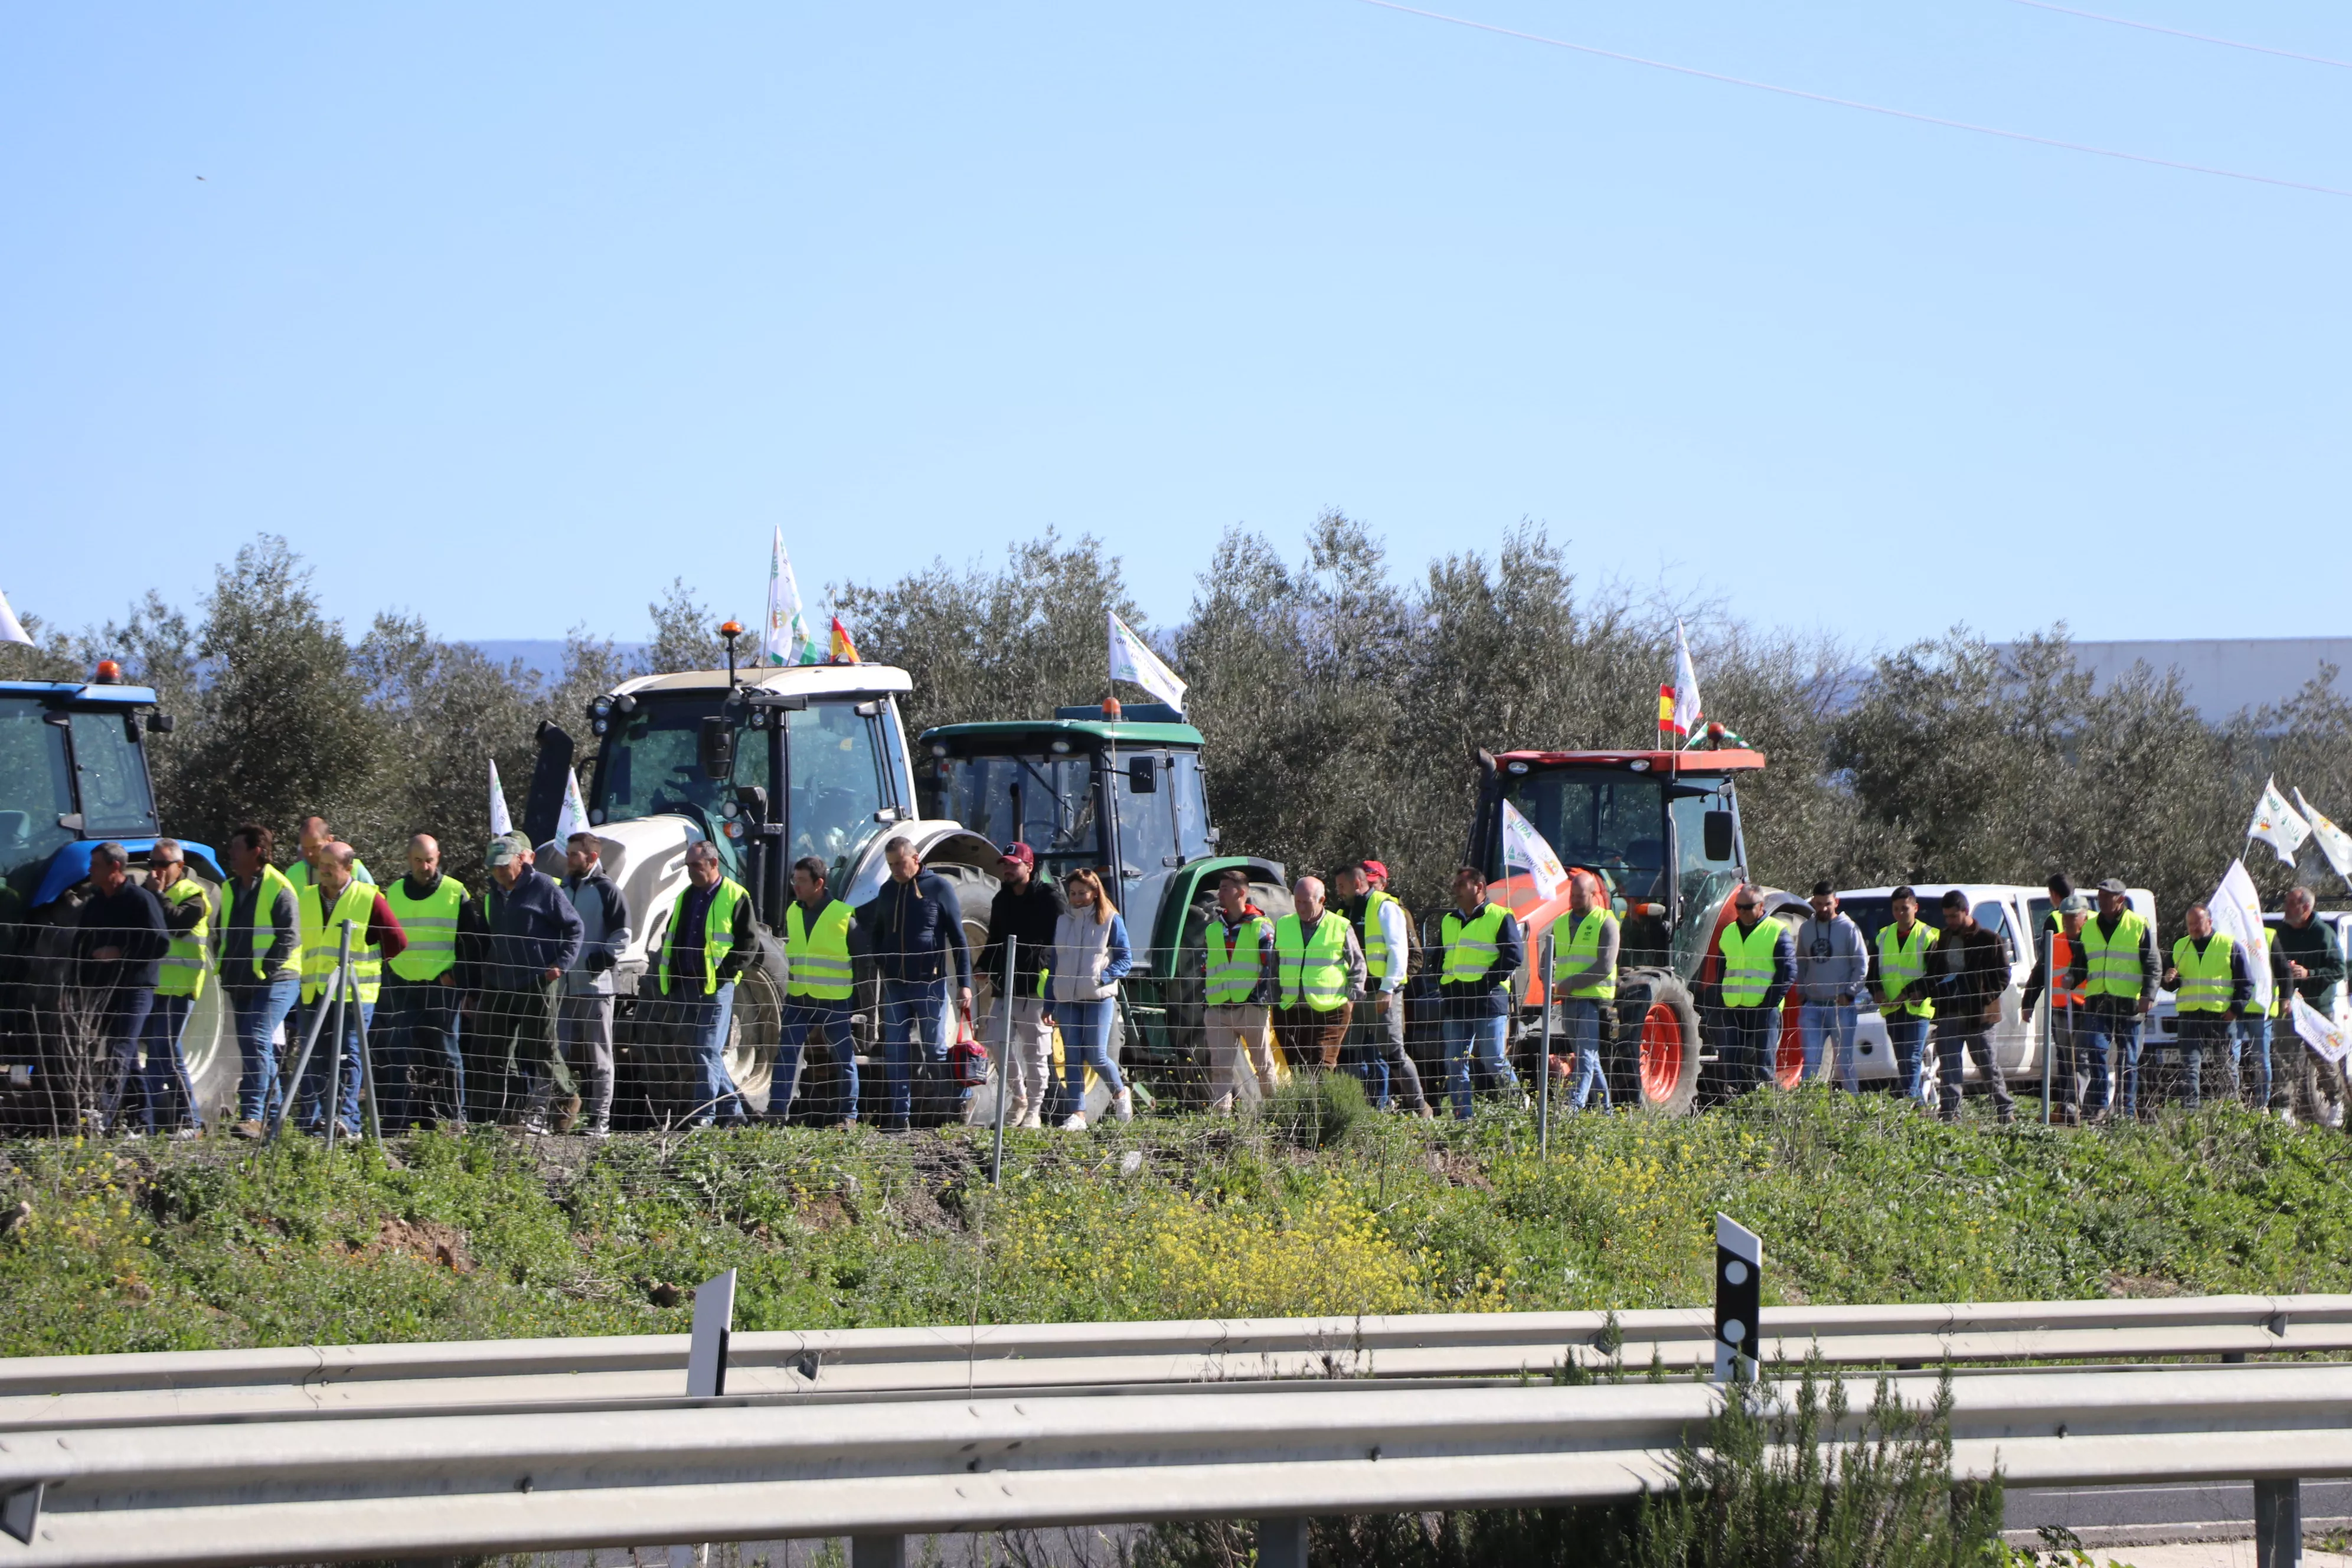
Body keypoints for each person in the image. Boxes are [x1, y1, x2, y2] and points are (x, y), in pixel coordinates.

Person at [853, 837, 973, 1132]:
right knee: (895, 1051)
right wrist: (882, 961)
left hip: (929, 985)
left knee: (934, 1050)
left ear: (915, 858)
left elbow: (959, 939)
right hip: (895, 986)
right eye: (890, 864)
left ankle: (957, 1105)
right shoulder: (887, 891)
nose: (895, 869)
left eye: (899, 863)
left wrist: (964, 984)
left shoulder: (939, 888)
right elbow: (878, 933)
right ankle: (899, 1118)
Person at [289, 842, 406, 1138]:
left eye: (331, 866)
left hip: (355, 994)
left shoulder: (369, 898)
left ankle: (347, 1122)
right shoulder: (305, 897)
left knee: (348, 1056)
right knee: (313, 1057)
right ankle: (313, 1122)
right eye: (321, 865)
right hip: (313, 991)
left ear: (348, 869)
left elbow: (397, 941)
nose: (324, 871)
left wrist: (372, 961)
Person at [472, 834, 583, 1130]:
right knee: (494, 1049)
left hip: (537, 982)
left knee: (542, 1048)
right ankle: (508, 1113)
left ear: (521, 860)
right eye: (493, 866)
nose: (498, 872)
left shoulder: (544, 887)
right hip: (499, 982)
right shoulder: (493, 893)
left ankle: (567, 1099)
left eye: (503, 865)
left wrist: (561, 964)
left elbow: (574, 928)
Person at [653, 839, 760, 1129]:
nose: (691, 871)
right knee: (703, 1052)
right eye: (688, 866)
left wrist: (725, 973)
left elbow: (749, 944)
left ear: (714, 864)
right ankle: (735, 1112)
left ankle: (704, 1116)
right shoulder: (685, 897)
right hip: (684, 986)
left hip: (715, 988)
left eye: (696, 866)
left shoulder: (736, 895)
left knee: (706, 1050)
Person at [379, 834, 478, 1131]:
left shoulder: (455, 892)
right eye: (419, 861)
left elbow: (472, 943)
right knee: (396, 1054)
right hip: (401, 986)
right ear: (409, 860)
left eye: (430, 860)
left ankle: (453, 1121)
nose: (425, 866)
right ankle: (395, 1121)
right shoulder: (393, 892)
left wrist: (458, 978)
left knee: (449, 1055)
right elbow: (381, 935)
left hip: (441, 986)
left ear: (439, 858)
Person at [74, 842, 169, 1135]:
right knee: (126, 1057)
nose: (90, 870)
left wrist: (121, 952)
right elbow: (82, 944)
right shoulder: (96, 903)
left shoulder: (140, 900)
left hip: (136, 987)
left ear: (115, 867)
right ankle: (143, 1124)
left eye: (96, 865)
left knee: (120, 1049)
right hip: (105, 988)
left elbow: (159, 942)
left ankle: (102, 1116)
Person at [215, 824, 303, 1138]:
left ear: (257, 852)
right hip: (240, 983)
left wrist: (263, 970)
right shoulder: (229, 888)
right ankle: (275, 1120)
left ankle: (253, 1115)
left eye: (237, 847)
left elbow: (290, 937)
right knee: (254, 1045)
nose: (231, 853)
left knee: (256, 1038)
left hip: (277, 980)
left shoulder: (279, 887)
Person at [975, 842, 1066, 1129]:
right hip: (1005, 984)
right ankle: (1020, 1097)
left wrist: (1050, 969)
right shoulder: (1001, 899)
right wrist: (984, 965)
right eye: (1005, 865)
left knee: (1035, 1052)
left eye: (1013, 865)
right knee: (994, 1042)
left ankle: (1034, 1112)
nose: (1007, 870)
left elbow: (1063, 938)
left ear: (1029, 866)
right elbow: (995, 937)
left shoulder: (1050, 898)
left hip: (1036, 987)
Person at [1334, 861, 1429, 1116]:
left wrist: (1388, 989)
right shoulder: (1344, 913)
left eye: (1342, 886)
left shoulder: (1386, 907)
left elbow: (1400, 951)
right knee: (1350, 1055)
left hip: (1381, 994)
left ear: (1357, 883)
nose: (1339, 892)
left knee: (1394, 1054)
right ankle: (1356, 1110)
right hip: (1354, 995)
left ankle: (1419, 1108)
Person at [1045, 866, 1133, 1129]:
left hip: (1098, 998)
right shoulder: (1062, 921)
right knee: (1072, 1057)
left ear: (1095, 893)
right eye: (1072, 893)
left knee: (1095, 1054)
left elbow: (1125, 958)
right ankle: (1078, 1115)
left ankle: (1119, 1093)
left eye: (1082, 893)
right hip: (1067, 999)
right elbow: (1056, 963)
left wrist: (1103, 978)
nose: (1076, 898)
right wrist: (1049, 1002)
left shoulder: (1111, 920)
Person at [775, 854, 858, 1128]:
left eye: (801, 881)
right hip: (799, 999)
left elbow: (862, 960)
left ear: (819, 883)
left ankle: (849, 1116)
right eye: (793, 880)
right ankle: (776, 1114)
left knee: (843, 1059)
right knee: (786, 1054)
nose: (795, 886)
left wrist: (856, 1002)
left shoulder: (844, 916)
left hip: (834, 1001)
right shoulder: (792, 911)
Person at [558, 831, 631, 1136]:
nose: (569, 858)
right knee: (554, 1053)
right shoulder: (561, 889)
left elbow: (624, 935)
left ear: (593, 857)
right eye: (569, 852)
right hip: (563, 986)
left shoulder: (608, 891)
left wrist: (602, 957)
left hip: (597, 987)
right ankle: (546, 1116)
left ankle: (599, 1121)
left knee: (600, 1057)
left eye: (575, 854)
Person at [1437, 867, 1524, 1120]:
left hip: (1488, 1000)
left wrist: (1488, 981)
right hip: (1456, 1000)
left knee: (1493, 1059)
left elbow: (1514, 957)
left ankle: (1518, 1108)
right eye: (1455, 885)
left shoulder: (1500, 916)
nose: (1456, 890)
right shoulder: (1448, 920)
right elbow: (1440, 957)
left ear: (1480, 887)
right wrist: (1442, 982)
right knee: (1454, 1063)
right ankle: (1463, 1119)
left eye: (1461, 885)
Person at [142, 839, 212, 1136]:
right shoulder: (153, 894)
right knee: (162, 1056)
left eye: (163, 864)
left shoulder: (194, 896)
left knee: (164, 1054)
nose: (156, 870)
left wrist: (155, 894)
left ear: (179, 867)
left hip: (180, 989)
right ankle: (161, 1123)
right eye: (152, 864)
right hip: (154, 988)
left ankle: (186, 1121)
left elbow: (176, 924)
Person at [1929, 890, 2013, 1124]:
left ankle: (2005, 1111)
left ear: (1966, 912)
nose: (1950, 922)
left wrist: (1984, 997)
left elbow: (2003, 976)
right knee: (1949, 1068)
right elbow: (1935, 974)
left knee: (1988, 1066)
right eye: (1946, 917)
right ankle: (1950, 1114)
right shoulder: (1944, 939)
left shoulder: (1989, 939)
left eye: (1954, 916)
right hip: (1949, 1012)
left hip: (1980, 1016)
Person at [2078, 878, 2158, 1121]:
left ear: (2120, 900)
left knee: (2128, 1058)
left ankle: (2127, 1109)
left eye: (2107, 897)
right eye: (2099, 896)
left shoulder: (2138, 925)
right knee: (2096, 1050)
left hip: (2129, 1002)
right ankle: (2103, 1105)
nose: (2101, 901)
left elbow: (2153, 963)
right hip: (2097, 999)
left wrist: (2149, 995)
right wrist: (2072, 976)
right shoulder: (2089, 926)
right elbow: (2082, 961)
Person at [1200, 867, 1279, 1114]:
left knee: (1263, 1065)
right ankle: (1220, 1121)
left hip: (1251, 1008)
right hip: (1218, 1008)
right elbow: (1205, 966)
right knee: (1220, 1068)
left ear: (1241, 892)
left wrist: (1259, 999)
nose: (1219, 893)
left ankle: (1276, 1114)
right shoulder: (1213, 929)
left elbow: (1271, 967)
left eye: (1225, 888)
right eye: (1220, 888)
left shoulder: (1261, 927)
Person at [1272, 875, 1364, 1079]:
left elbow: (1358, 965)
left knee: (1322, 1068)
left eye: (1307, 902)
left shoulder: (1340, 926)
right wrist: (1274, 1000)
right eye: (1297, 901)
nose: (1301, 908)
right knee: (1298, 1072)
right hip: (1290, 1011)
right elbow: (1274, 966)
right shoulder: (1284, 925)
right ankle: (1304, 1111)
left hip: (1330, 1011)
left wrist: (1351, 998)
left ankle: (1323, 1110)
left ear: (1322, 901)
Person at [2160, 902, 2250, 1113]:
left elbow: (2246, 982)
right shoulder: (2179, 946)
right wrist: (2168, 979)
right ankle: (2191, 1112)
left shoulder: (2229, 945)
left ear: (2209, 922)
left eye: (2197, 924)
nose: (2193, 928)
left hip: (2220, 1016)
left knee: (2226, 1066)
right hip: (2190, 1015)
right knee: (2190, 1067)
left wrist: (2236, 1009)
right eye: (2190, 924)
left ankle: (2230, 1110)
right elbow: (2170, 984)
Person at [1546, 871, 1618, 1112]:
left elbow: (1605, 966)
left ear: (1593, 895)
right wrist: (1546, 976)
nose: (1575, 900)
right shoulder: (1560, 923)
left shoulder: (1606, 922)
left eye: (1580, 896)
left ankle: (1573, 1106)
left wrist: (1570, 983)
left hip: (1592, 1000)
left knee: (1586, 1054)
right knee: (1587, 1056)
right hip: (1567, 1000)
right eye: (1572, 896)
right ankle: (1606, 1111)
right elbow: (1548, 957)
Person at [2273, 886, 2344, 1123]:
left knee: (2323, 1058)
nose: (2285, 907)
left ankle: (2335, 1103)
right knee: (2284, 1057)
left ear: (2305, 908)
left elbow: (2339, 970)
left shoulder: (2324, 934)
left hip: (2317, 1010)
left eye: (2290, 903)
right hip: (2288, 1007)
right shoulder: (2281, 934)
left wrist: (2309, 973)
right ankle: (2285, 1109)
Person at [1712, 888, 1793, 1092]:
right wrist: (1722, 997)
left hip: (1763, 1010)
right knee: (1730, 1060)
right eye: (1739, 907)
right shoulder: (1729, 931)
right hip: (1733, 1008)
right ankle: (1737, 1104)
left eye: (1748, 907)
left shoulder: (1776, 930)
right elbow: (1721, 967)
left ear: (1761, 907)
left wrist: (1769, 1003)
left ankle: (1768, 1109)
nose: (1743, 911)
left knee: (1763, 1065)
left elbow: (1789, 971)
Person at [1791, 881, 1868, 1090]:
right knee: (1811, 1063)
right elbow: (1801, 962)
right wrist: (1802, 992)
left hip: (1840, 1007)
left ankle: (1854, 1108)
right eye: (1818, 904)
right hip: (1812, 1007)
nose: (1823, 909)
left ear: (1836, 902)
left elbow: (1861, 965)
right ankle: (1809, 1108)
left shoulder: (1849, 928)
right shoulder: (1806, 929)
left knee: (1844, 1063)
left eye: (1827, 904)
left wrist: (1850, 993)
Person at [2022, 892, 2092, 1124]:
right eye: (2064, 917)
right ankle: (2069, 1104)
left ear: (2085, 917)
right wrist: (2028, 1002)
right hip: (2060, 1008)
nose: (2067, 921)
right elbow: (2039, 973)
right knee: (2065, 1059)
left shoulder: (2092, 942)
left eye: (2072, 917)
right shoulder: (2056, 941)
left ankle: (2078, 1105)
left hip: (2085, 1008)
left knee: (2080, 1059)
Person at [1866, 886, 1938, 1109]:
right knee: (1902, 1059)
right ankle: (1916, 1105)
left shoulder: (1929, 935)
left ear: (1915, 908)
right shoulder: (1883, 935)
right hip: (1892, 1008)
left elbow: (1936, 974)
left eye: (1905, 909)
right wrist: (1876, 991)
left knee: (1913, 1057)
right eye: (1896, 909)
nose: (1900, 913)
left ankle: (1912, 1102)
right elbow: (1873, 973)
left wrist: (1919, 992)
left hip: (1917, 1008)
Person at [283, 814, 372, 899]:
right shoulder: (293, 873)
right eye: (305, 848)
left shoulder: (356, 869)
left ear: (329, 840)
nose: (309, 854)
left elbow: (373, 903)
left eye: (314, 847)